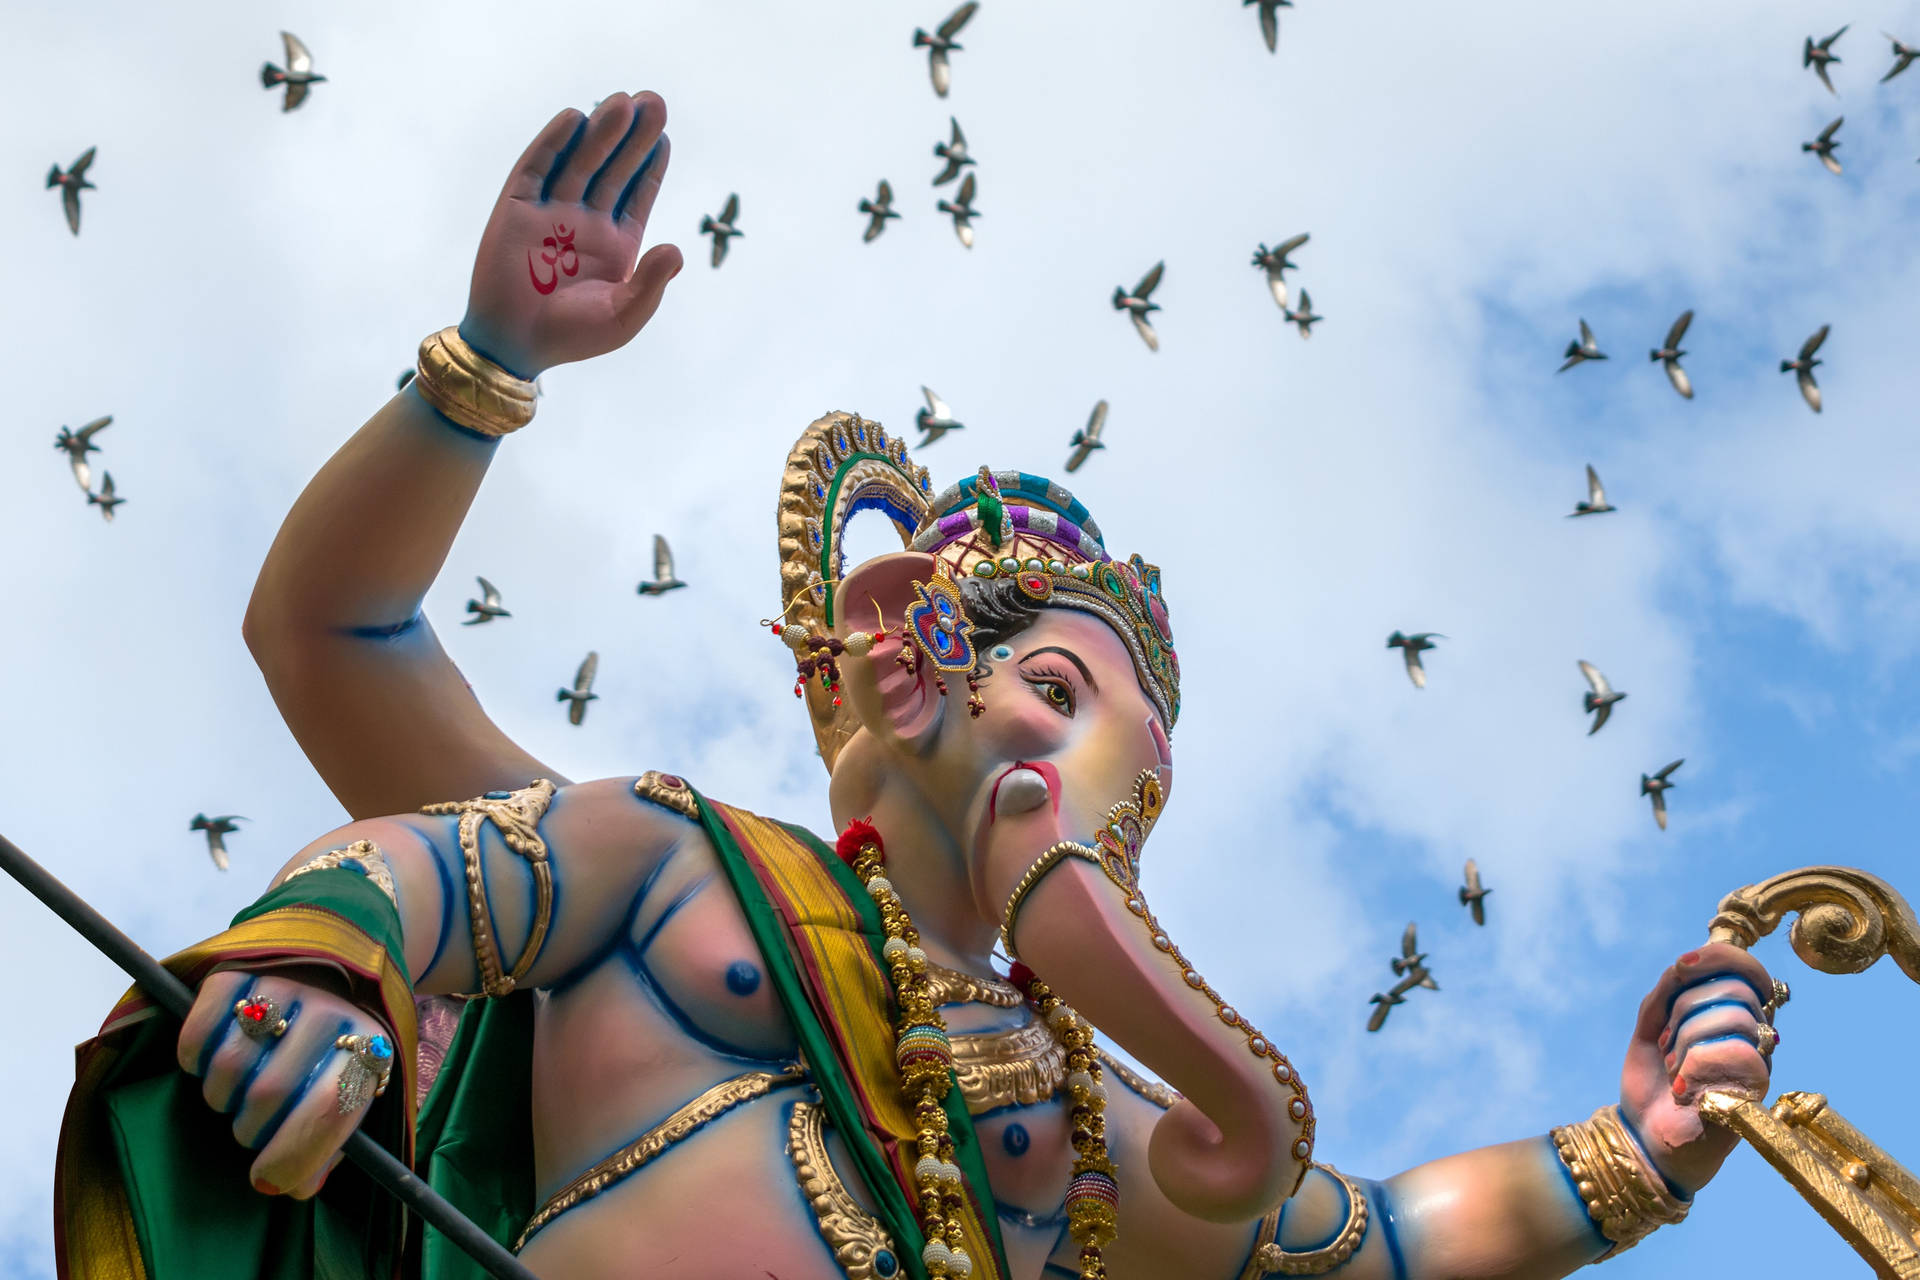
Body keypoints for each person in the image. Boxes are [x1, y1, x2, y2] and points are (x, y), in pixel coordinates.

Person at [58, 91, 1779, 1280]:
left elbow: (1384, 1243)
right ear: (908, 650)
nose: (1079, 766)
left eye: (1132, 766)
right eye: (1050, 684)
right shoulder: (674, 870)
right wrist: (326, 987)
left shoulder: (1076, 1120)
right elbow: (370, 748)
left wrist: (1634, 1152)